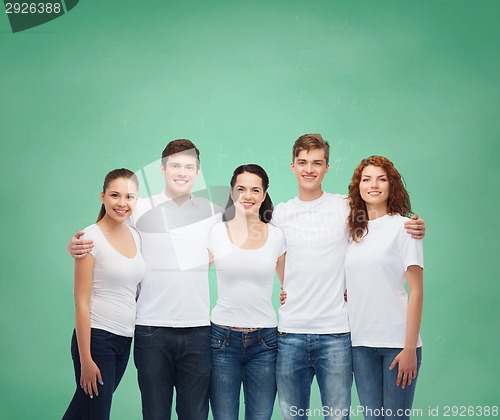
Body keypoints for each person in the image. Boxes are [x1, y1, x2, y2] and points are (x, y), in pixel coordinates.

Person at [272, 134, 425, 420]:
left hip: (338, 333)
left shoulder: (347, 208)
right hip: (293, 332)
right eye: (303, 162)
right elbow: (265, 245)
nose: (309, 169)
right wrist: (287, 284)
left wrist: (416, 223)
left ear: (327, 167)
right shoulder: (280, 213)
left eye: (317, 162)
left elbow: (385, 220)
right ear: (292, 166)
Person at [68, 140, 222, 420]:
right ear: (162, 169)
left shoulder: (213, 212)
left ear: (198, 172)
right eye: (175, 165)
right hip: (151, 329)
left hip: (198, 329)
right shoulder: (138, 206)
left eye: (189, 167)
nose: (182, 172)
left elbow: (251, 239)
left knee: (195, 414)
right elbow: (105, 233)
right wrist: (75, 246)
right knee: (154, 414)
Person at [63, 168, 146, 420]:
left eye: (129, 197)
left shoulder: (135, 234)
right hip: (97, 340)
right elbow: (80, 301)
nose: (122, 203)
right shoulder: (90, 238)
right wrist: (86, 359)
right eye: (114, 195)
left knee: (81, 413)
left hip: (124, 340)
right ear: (102, 197)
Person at [345, 156, 424, 420]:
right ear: (359, 187)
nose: (373, 185)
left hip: (397, 343)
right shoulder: (353, 232)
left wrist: (410, 347)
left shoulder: (405, 228)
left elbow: (417, 292)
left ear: (392, 185)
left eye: (381, 179)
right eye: (366, 179)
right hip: (360, 344)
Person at [208, 164, 286, 420]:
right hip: (221, 340)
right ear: (232, 193)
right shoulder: (215, 232)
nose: (248, 196)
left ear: (264, 195)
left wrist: (341, 290)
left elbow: (293, 284)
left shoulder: (276, 236)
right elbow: (189, 276)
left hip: (265, 342)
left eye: (255, 190)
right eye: (241, 189)